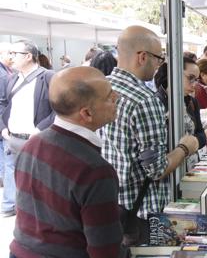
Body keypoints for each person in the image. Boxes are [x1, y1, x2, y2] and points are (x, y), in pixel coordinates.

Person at [10, 67, 123, 258]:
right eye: (109, 96)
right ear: (86, 113)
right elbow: (105, 250)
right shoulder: (94, 170)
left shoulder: (32, 144)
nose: (117, 97)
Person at [101, 26, 199, 245]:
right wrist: (185, 147)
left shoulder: (102, 87)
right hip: (143, 213)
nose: (159, 65)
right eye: (158, 58)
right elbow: (156, 169)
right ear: (142, 56)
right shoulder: (145, 100)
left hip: (113, 203)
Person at [0, 40, 55, 218]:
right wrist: (3, 127)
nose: (10, 57)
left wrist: (40, 129)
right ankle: (20, 212)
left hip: (37, 140)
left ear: (28, 56)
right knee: (17, 179)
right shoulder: (12, 78)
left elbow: (59, 109)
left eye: (14, 53)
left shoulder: (47, 77)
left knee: (40, 181)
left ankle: (42, 216)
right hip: (13, 139)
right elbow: (4, 104)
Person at [154, 58, 207, 170]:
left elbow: (200, 133)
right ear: (174, 73)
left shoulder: (192, 102)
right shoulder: (156, 104)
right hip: (169, 170)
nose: (194, 85)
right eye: (190, 78)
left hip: (190, 167)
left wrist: (196, 141)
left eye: (196, 80)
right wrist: (192, 143)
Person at [0, 42, 13, 188]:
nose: (12, 56)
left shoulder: (6, 72)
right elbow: (4, 102)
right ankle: (9, 202)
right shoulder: (4, 75)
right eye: (10, 53)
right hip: (3, 124)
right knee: (9, 163)